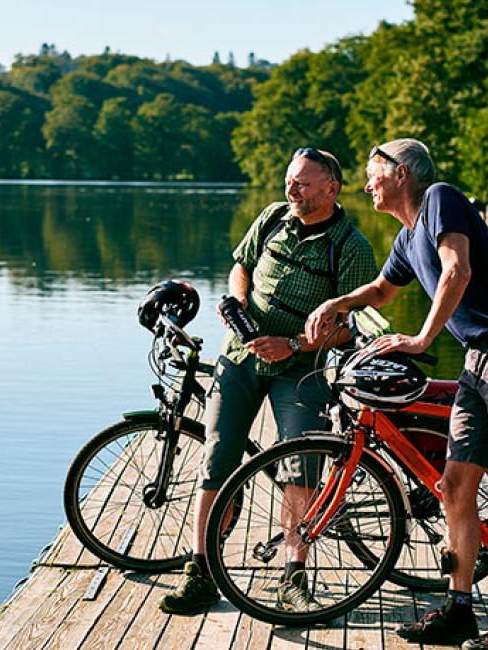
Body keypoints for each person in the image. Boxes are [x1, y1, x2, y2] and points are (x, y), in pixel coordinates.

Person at [305, 139, 488, 650]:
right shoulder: (405, 237)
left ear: (402, 174)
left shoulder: (439, 198)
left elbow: (456, 270)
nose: (366, 183)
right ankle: (460, 610)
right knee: (455, 490)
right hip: (478, 357)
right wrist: (339, 302)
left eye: (373, 173)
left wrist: (421, 339)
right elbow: (380, 290)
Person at [157, 148, 378, 616]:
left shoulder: (352, 246)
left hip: (301, 368)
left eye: (301, 183)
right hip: (239, 357)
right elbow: (242, 264)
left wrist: (294, 345)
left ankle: (294, 575)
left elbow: (349, 328)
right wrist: (237, 303)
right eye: (289, 180)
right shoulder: (273, 217)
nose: (290, 189)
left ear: (331, 189)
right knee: (216, 458)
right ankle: (200, 572)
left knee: (301, 467)